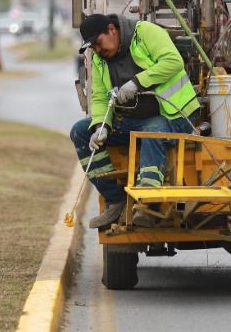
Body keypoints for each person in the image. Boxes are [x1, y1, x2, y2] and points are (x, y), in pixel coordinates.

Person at [71, 13, 200, 230]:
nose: (98, 50)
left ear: (111, 29)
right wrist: (100, 127)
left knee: (151, 130)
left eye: (98, 43)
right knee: (80, 132)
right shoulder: (99, 59)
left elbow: (173, 62)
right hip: (131, 120)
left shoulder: (146, 33)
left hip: (176, 115)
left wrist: (137, 83)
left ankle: (148, 205)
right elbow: (101, 98)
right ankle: (115, 200)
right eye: (93, 47)